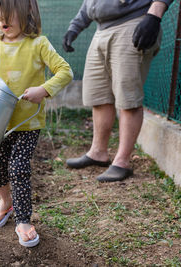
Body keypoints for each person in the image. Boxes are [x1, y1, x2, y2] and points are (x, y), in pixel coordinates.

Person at [0, 0, 73, 247]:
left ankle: (23, 219)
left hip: (28, 123)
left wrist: (44, 89)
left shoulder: (38, 44)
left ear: (27, 11)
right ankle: (5, 202)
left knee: (18, 167)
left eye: (6, 12)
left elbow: (65, 71)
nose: (0, 18)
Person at [63, 0, 174, 182]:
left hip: (133, 22)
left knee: (128, 98)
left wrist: (154, 15)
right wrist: (75, 27)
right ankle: (98, 152)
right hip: (101, 30)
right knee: (99, 96)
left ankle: (122, 162)